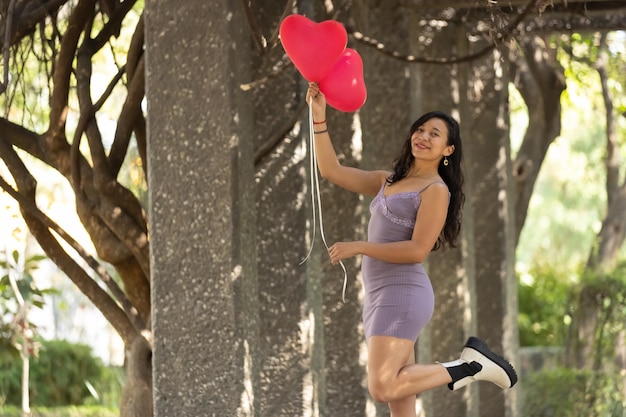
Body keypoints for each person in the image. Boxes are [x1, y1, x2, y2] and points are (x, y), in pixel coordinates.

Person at [305, 82, 517, 417]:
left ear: (448, 150)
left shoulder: (436, 191)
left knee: (382, 386)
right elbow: (331, 170)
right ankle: (468, 366)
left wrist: (361, 246)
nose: (424, 136)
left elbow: (418, 251)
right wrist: (319, 118)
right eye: (420, 129)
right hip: (379, 294)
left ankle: (470, 366)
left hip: (402, 293)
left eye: (435, 134)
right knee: (401, 406)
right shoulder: (387, 182)